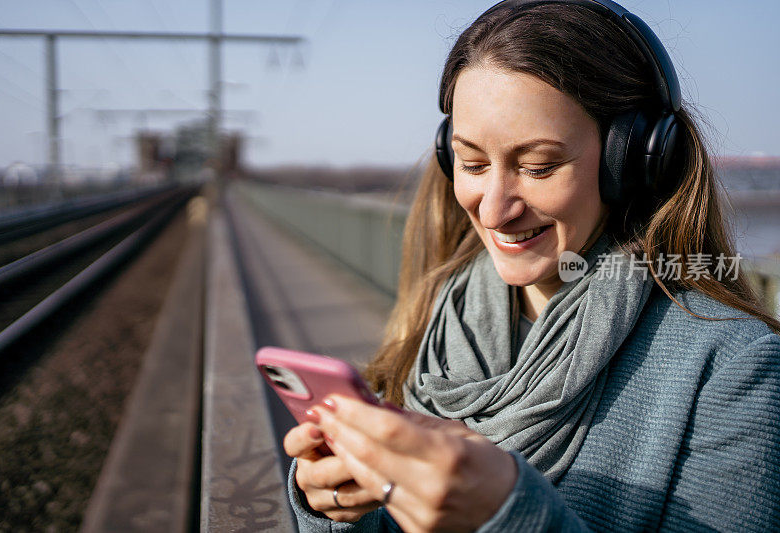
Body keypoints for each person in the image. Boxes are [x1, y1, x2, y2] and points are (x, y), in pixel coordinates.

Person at [283, 1, 780, 531]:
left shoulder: (733, 368)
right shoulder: (441, 313)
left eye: (538, 167)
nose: (493, 209)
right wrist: (334, 505)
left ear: (633, 162)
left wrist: (505, 514)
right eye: (472, 164)